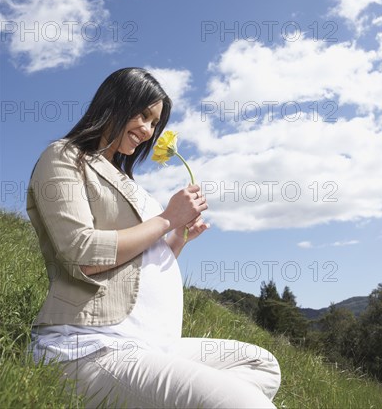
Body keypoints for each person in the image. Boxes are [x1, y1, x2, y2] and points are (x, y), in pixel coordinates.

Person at [26, 67, 281, 408]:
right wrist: (166, 219)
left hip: (152, 342)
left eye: (154, 123)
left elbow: (135, 267)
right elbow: (82, 254)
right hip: (92, 343)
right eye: (143, 116)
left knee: (260, 365)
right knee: (244, 403)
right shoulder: (66, 157)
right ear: (113, 103)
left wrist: (177, 238)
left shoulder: (131, 183)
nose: (148, 131)